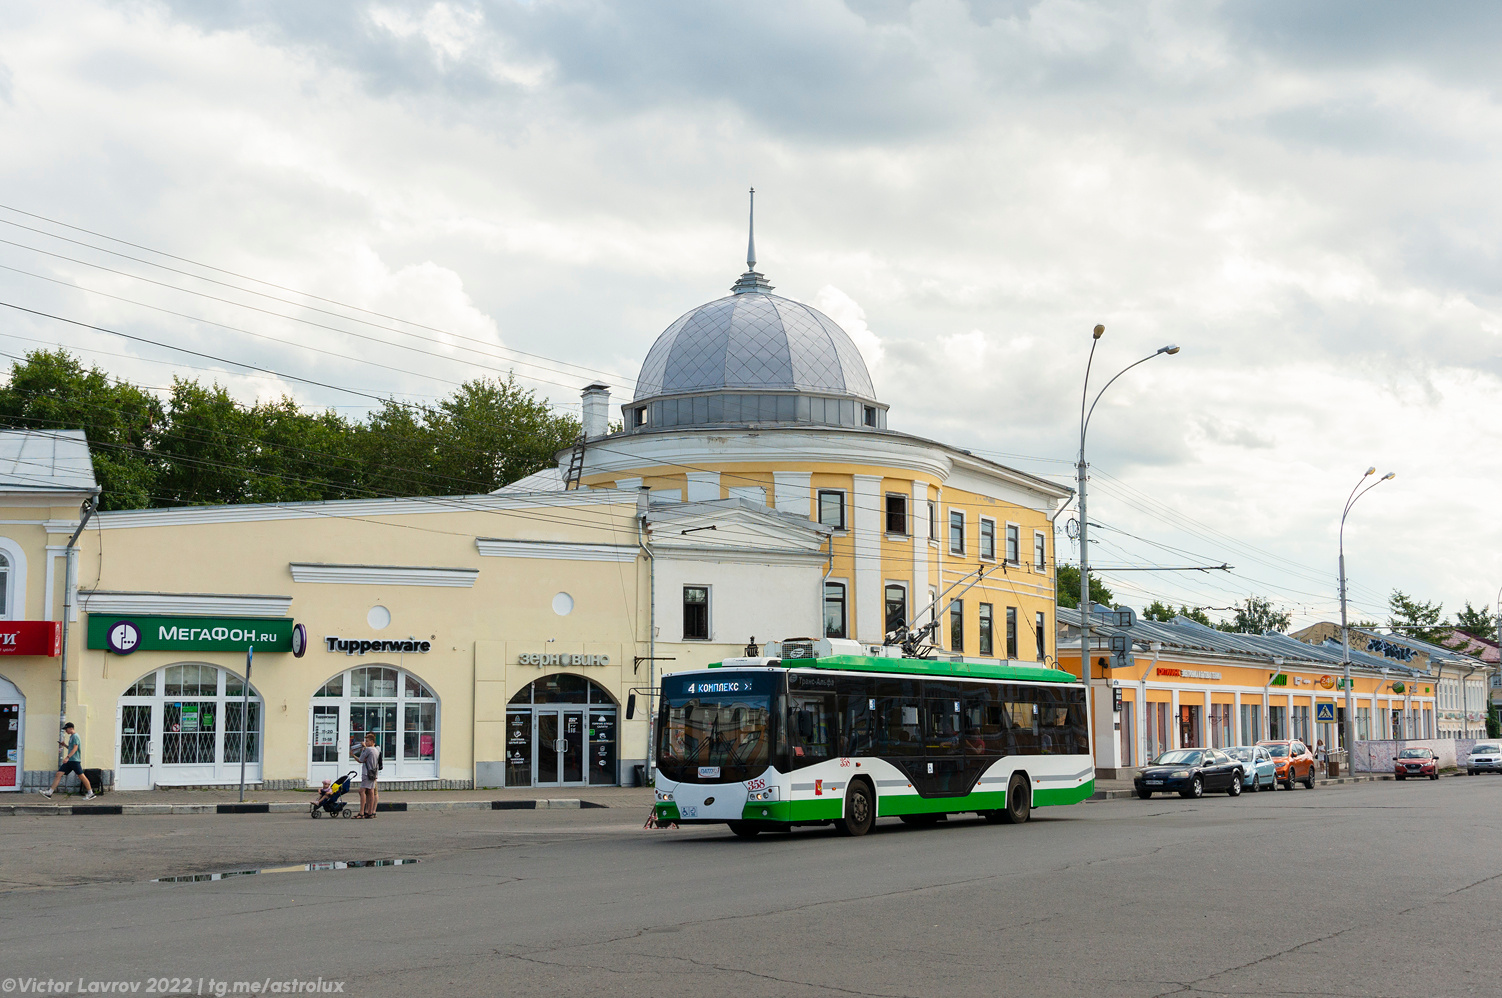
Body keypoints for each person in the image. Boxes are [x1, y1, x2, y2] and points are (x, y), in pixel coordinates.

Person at [41, 722, 95, 800]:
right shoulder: (72, 737)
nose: (66, 731)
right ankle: (49, 793)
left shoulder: (75, 736)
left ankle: (91, 793)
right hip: (70, 761)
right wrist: (64, 745)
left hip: (74, 760)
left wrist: (67, 757)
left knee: (81, 776)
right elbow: (71, 748)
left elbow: (75, 748)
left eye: (66, 729)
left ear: (71, 728)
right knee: (58, 774)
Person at [352, 733, 381, 818]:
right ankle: (370, 812)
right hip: (373, 773)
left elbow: (360, 760)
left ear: (372, 741)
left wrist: (353, 755)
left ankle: (362, 812)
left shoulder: (368, 750)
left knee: (362, 791)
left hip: (366, 773)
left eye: (367, 741)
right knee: (371, 791)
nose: (366, 742)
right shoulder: (376, 750)